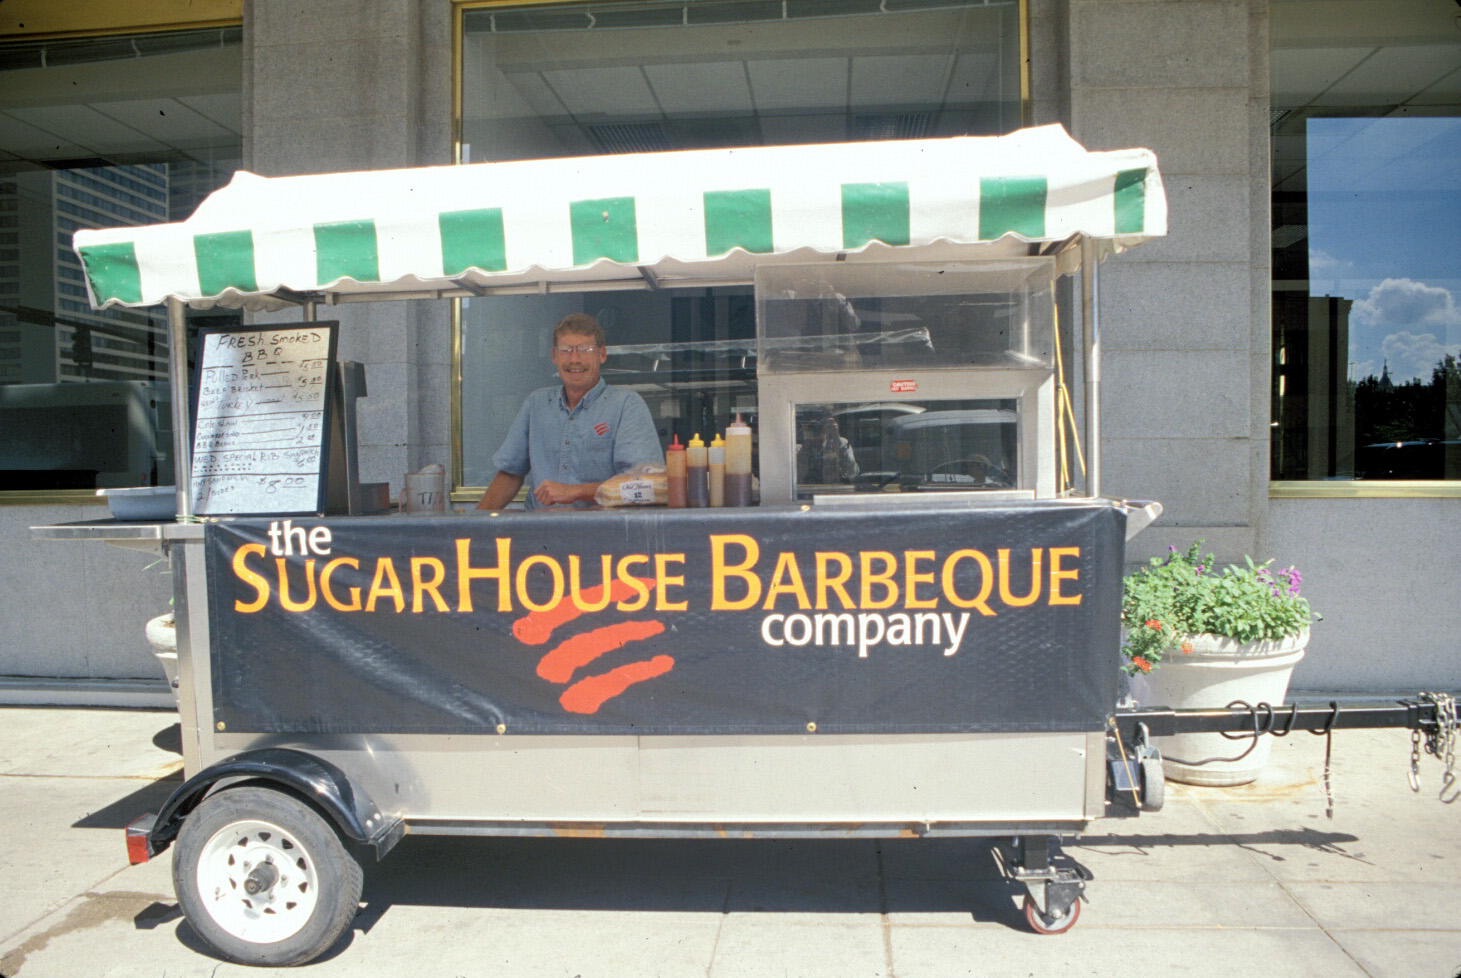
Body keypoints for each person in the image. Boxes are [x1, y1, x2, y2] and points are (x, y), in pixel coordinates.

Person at [478, 313, 663, 510]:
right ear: (555, 356)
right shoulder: (536, 404)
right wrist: (474, 524)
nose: (575, 359)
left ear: (602, 354)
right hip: (540, 532)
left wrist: (575, 491)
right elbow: (510, 474)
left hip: (603, 533)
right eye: (566, 350)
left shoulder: (626, 405)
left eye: (585, 349)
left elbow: (645, 486)